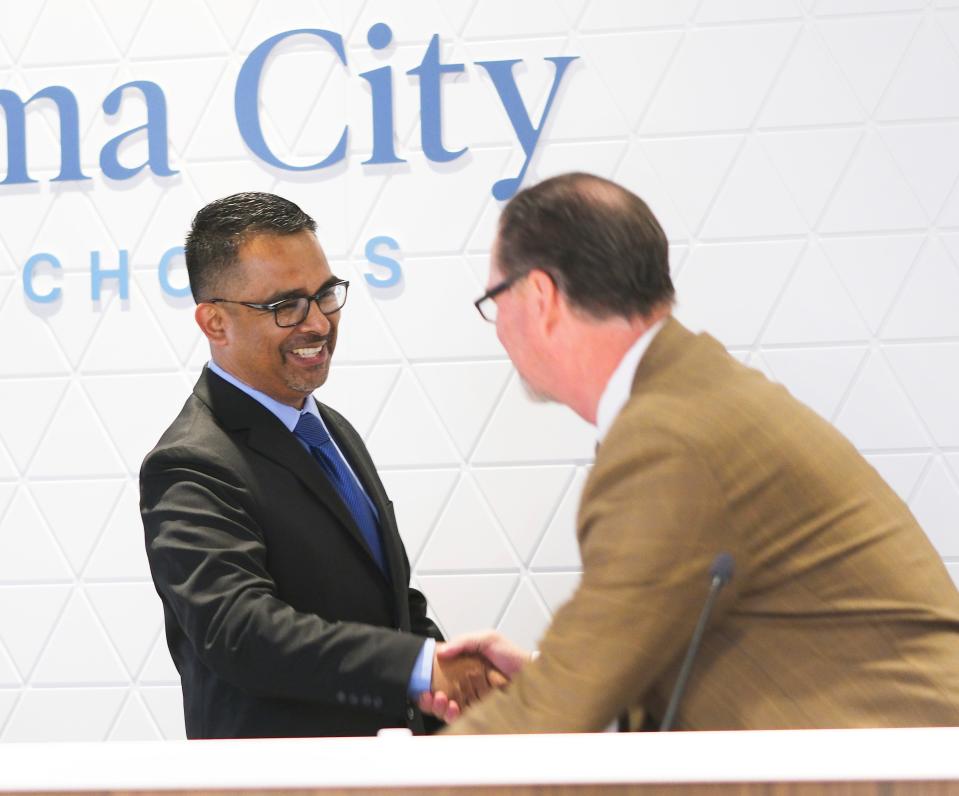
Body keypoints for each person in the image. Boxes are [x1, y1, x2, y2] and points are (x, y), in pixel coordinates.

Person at [440, 172, 959, 733]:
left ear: (540, 297)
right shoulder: (689, 394)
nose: (497, 331)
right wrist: (548, 675)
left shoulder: (666, 441)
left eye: (494, 299)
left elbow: (554, 712)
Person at [140, 192, 494, 739]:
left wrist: (456, 679)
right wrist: (418, 666)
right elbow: (241, 633)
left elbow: (388, 603)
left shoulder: (330, 429)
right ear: (214, 323)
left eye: (325, 294)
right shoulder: (191, 462)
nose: (319, 323)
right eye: (285, 305)